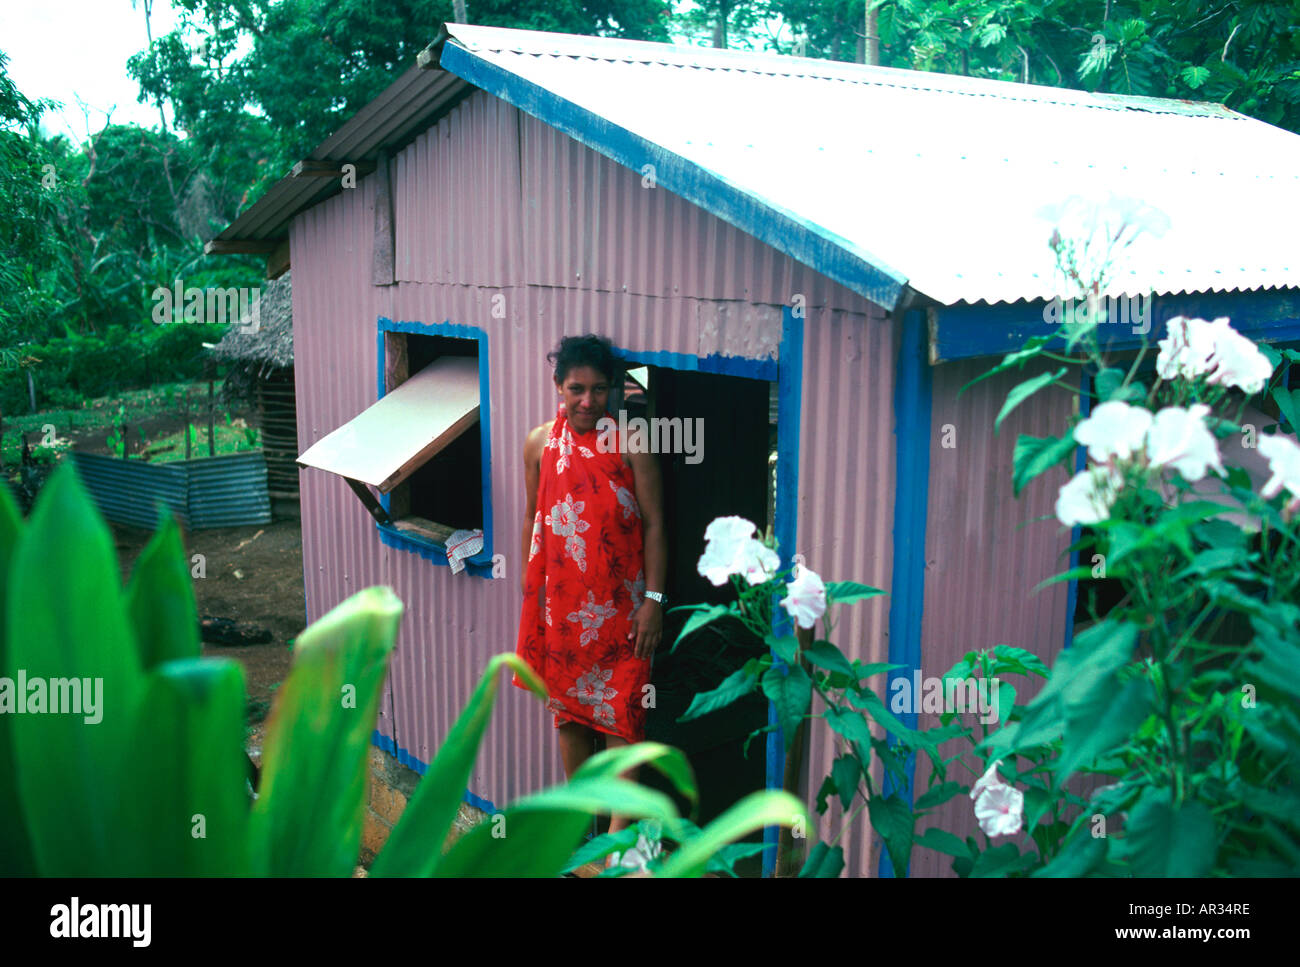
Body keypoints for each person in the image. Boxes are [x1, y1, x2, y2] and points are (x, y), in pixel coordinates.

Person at [513, 333, 667, 843]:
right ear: (557, 386)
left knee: (623, 718)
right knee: (571, 717)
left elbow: (657, 525)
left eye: (599, 390)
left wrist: (655, 603)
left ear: (614, 391)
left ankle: (619, 845)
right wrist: (529, 590)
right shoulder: (539, 443)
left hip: (624, 613)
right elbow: (535, 515)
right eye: (576, 389)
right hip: (561, 609)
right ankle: (581, 833)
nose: (587, 401)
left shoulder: (631, 443)